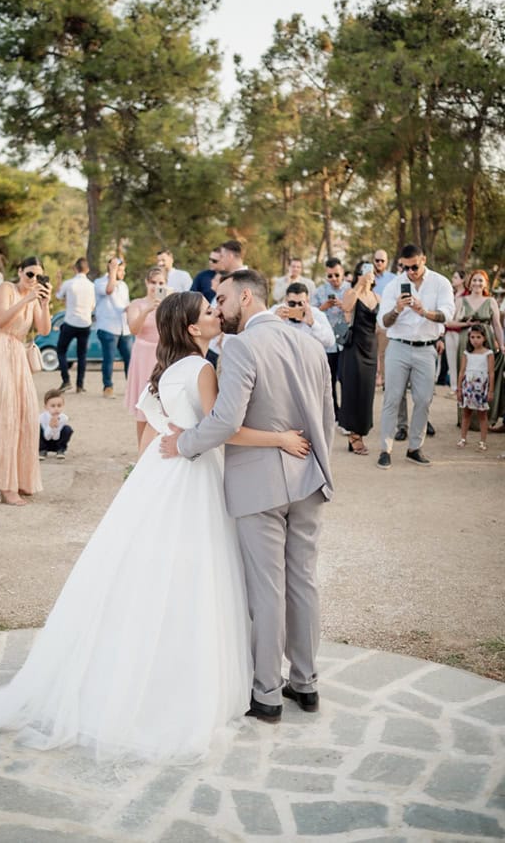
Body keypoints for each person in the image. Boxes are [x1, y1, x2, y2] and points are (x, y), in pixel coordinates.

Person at [0, 291, 309, 761]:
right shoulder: (201, 369)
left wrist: (146, 483)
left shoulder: (167, 371)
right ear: (193, 329)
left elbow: (146, 435)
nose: (217, 314)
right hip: (192, 474)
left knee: (157, 575)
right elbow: (226, 428)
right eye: (209, 312)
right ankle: (188, 676)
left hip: (160, 476)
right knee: (199, 575)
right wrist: (279, 437)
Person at [161, 271, 334, 724]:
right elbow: (328, 420)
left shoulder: (240, 346)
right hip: (310, 477)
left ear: (245, 295)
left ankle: (267, 694)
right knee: (304, 582)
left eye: (221, 298)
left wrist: (182, 444)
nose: (218, 308)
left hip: (261, 486)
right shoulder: (313, 345)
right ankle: (307, 683)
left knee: (268, 588)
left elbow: (224, 421)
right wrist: (319, 468)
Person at [0, 256, 51, 506]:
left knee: (25, 415)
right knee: (5, 417)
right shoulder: (6, 288)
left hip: (17, 353)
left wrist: (45, 303)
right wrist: (26, 298)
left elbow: (44, 329)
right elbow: (0, 321)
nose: (33, 280)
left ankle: (21, 478)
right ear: (19, 271)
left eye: (38, 276)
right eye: (29, 274)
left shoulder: (33, 296)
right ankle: (6, 487)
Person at [377, 245, 454, 469]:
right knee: (392, 398)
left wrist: (424, 312)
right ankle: (386, 449)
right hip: (398, 347)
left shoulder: (441, 283)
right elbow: (383, 322)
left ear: (424, 259)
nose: (410, 271)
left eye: (414, 266)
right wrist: (397, 310)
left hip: (427, 349)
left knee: (423, 399)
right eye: (405, 267)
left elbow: (447, 315)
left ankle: (414, 448)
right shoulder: (394, 285)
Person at [338, 261, 380, 455]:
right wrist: (359, 284)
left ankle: (361, 432)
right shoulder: (351, 293)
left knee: (367, 393)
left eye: (371, 270)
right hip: (354, 347)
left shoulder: (377, 297)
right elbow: (346, 307)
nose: (369, 274)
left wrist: (381, 359)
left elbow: (380, 330)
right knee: (352, 391)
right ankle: (353, 436)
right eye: (364, 271)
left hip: (371, 348)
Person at [453, 269, 504, 429]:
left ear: (486, 283)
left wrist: (501, 345)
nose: (477, 283)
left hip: (486, 341)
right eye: (474, 280)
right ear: (470, 282)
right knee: (467, 376)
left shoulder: (491, 301)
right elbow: (449, 322)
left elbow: (496, 325)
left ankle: (485, 418)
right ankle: (466, 419)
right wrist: (465, 324)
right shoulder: (461, 300)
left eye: (480, 281)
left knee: (486, 378)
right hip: (466, 341)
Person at [124, 266, 167, 444]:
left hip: (163, 355)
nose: (156, 286)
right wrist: (147, 309)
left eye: (161, 283)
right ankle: (141, 449)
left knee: (163, 405)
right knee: (143, 406)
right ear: (146, 283)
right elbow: (134, 329)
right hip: (143, 355)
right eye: (153, 282)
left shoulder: (168, 304)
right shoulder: (136, 304)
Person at [312, 258, 350, 419]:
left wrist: (344, 305)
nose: (334, 278)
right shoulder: (319, 291)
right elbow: (311, 313)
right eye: (330, 276)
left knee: (346, 378)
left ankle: (348, 412)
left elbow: (355, 311)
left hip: (346, 342)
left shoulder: (351, 290)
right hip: (327, 344)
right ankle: (334, 412)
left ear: (342, 272)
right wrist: (324, 307)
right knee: (329, 380)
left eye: (337, 275)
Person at [55, 257, 96, 394]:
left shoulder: (69, 283)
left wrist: (59, 281)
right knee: (82, 355)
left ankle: (66, 380)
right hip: (85, 323)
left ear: (75, 268)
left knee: (61, 351)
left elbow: (59, 296)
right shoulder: (92, 286)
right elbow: (93, 306)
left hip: (71, 322)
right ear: (87, 269)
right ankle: (80, 385)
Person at [94, 256, 132, 398]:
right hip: (107, 327)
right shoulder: (99, 282)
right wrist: (113, 271)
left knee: (130, 359)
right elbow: (109, 290)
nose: (124, 273)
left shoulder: (124, 285)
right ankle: (108, 387)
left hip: (124, 328)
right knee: (109, 359)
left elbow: (126, 305)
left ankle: (131, 387)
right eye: (121, 270)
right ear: (113, 269)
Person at [456, 324, 494, 451]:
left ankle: (482, 441)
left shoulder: (488, 353)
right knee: (466, 413)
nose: (475, 340)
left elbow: (491, 373)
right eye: (472, 337)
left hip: (481, 388)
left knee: (482, 415)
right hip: (468, 387)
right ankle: (463, 438)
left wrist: (491, 390)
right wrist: (459, 389)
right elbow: (462, 372)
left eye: (478, 337)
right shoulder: (467, 353)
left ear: (484, 338)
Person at [270, 282, 334, 349]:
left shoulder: (315, 314)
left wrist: (313, 324)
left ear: (307, 301)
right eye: (292, 303)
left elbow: (330, 342)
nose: (296, 307)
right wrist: (274, 320)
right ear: (286, 300)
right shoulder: (276, 311)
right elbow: (261, 334)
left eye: (301, 303)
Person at [372, 249, 396, 386]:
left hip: (384, 321)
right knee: (371, 351)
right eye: (377, 260)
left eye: (382, 260)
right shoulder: (367, 277)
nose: (379, 263)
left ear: (386, 262)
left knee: (383, 352)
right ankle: (373, 378)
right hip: (368, 320)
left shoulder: (393, 279)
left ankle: (384, 380)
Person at [444, 269, 469, 395]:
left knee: (461, 360)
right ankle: (454, 387)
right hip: (449, 331)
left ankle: (462, 386)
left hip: (460, 331)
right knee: (451, 359)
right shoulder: (451, 294)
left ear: (462, 280)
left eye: (455, 277)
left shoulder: (467, 295)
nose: (453, 279)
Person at [39, 389, 73, 460]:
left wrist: (55, 428)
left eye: (59, 406)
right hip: (45, 440)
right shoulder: (41, 418)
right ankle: (42, 450)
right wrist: (50, 427)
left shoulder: (64, 418)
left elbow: (56, 438)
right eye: (53, 406)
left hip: (57, 440)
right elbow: (47, 437)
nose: (56, 408)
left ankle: (60, 449)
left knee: (67, 429)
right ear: (46, 407)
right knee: (37, 428)